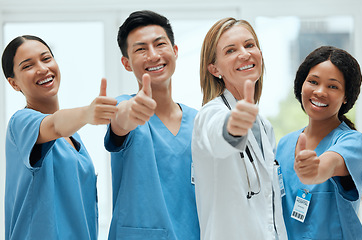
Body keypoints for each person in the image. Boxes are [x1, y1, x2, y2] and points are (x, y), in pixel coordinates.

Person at [2, 35, 118, 240]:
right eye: (28, 66)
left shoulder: (74, 138)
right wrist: (87, 113)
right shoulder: (21, 123)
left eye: (46, 58)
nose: (42, 68)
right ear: (14, 83)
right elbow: (54, 124)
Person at [104, 10, 200, 240]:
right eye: (141, 49)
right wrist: (131, 112)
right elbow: (120, 121)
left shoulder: (199, 121)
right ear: (126, 63)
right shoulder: (123, 106)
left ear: (175, 51)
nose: (153, 55)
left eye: (160, 44)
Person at [192, 17, 287, 240]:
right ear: (214, 69)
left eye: (250, 45)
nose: (244, 53)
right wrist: (233, 127)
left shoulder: (264, 127)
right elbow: (219, 136)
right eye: (231, 50)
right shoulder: (210, 114)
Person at [276, 46, 362, 239]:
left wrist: (316, 171)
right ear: (301, 84)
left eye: (332, 86)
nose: (319, 91)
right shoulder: (284, 145)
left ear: (346, 97)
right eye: (313, 82)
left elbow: (331, 163)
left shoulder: (353, 142)